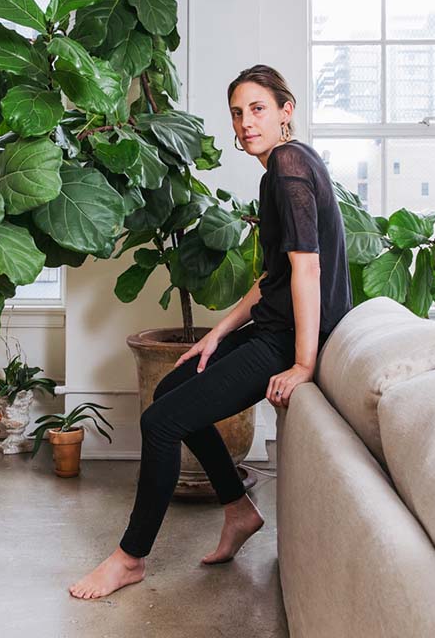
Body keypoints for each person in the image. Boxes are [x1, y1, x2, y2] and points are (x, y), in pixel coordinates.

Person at [68, 64, 353, 600]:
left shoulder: (289, 166)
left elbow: (308, 269)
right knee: (173, 388)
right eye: (238, 114)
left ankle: (130, 559)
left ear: (286, 111)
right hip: (272, 327)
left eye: (258, 109)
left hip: (283, 340)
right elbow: (273, 278)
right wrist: (217, 334)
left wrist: (303, 364)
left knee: (159, 422)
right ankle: (239, 509)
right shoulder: (281, 169)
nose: (246, 123)